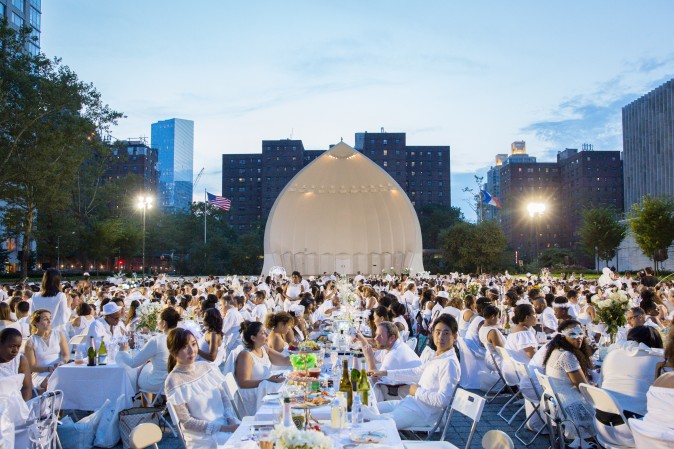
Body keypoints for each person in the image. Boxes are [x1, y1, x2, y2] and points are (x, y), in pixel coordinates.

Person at [369, 314, 461, 430]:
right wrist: (386, 373)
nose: (440, 337)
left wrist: (417, 391)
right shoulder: (438, 356)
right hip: (410, 403)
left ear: (454, 336)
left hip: (424, 414)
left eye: (446, 333)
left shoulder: (449, 363)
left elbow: (442, 400)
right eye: (438, 332)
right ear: (433, 333)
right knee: (372, 409)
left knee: (376, 423)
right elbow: (416, 372)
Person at [165, 328, 239, 449]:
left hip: (226, 425)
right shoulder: (173, 381)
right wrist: (225, 429)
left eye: (193, 344)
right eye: (184, 347)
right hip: (203, 437)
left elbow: (224, 398)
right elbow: (187, 421)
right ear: (173, 352)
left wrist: (231, 420)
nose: (191, 350)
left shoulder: (206, 367)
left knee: (257, 437)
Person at [598, 325, 664, 447]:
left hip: (601, 426)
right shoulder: (658, 360)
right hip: (633, 430)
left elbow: (600, 384)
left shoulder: (611, 354)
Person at [542, 320, 597, 443]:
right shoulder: (567, 355)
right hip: (567, 402)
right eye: (572, 334)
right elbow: (582, 387)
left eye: (580, 333)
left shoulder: (556, 350)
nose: (578, 338)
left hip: (553, 399)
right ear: (563, 335)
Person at [117, 307, 180, 400]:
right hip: (178, 381)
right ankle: (154, 408)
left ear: (164, 323)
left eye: (158, 320)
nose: (156, 322)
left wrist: (123, 352)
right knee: (148, 366)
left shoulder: (157, 340)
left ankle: (147, 409)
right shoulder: (182, 337)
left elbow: (133, 363)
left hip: (159, 383)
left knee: (143, 370)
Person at [234, 321, 289, 414]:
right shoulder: (246, 355)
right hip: (253, 394)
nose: (267, 334)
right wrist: (268, 381)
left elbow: (286, 360)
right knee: (285, 390)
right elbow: (243, 383)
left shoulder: (264, 349)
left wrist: (307, 356)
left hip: (265, 389)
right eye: (263, 333)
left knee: (288, 382)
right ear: (253, 338)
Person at [24, 309, 69, 390]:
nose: (49, 321)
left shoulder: (59, 335)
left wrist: (62, 362)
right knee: (53, 381)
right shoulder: (31, 342)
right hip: (40, 374)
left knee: (67, 379)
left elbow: (66, 355)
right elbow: (31, 367)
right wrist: (48, 369)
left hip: (58, 370)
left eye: (50, 318)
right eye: (45, 319)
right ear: (36, 323)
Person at [357, 321, 421, 372]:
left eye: (380, 336)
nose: (376, 338)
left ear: (392, 338)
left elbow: (376, 381)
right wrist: (362, 339)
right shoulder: (391, 345)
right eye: (376, 335)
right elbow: (374, 358)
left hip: (405, 388)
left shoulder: (393, 355)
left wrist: (370, 358)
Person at [0, 328, 33, 401]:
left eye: (18, 347)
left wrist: (23, 406)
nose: (15, 350)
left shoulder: (20, 360)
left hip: (16, 405)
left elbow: (27, 388)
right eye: (12, 346)